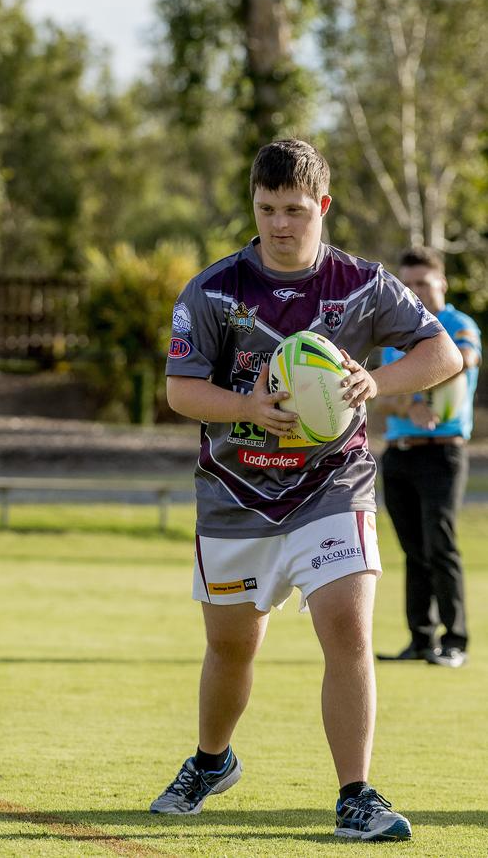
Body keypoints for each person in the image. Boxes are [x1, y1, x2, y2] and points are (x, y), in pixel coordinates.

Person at [151, 139, 462, 842]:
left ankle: (355, 794)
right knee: (232, 648)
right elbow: (179, 390)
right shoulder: (213, 289)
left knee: (347, 627)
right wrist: (250, 409)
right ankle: (211, 759)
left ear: (322, 206)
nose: (280, 224)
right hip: (236, 493)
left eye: (295, 209)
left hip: (332, 484)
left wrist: (375, 382)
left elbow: (439, 352)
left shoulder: (362, 284)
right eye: (266, 209)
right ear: (253, 205)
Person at [375, 247, 481, 668]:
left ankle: (455, 641)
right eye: (407, 284)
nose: (414, 291)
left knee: (441, 545)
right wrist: (409, 406)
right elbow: (381, 396)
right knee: (413, 549)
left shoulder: (458, 324)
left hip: (443, 454)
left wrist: (416, 392)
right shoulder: (395, 333)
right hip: (399, 456)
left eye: (422, 282)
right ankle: (420, 638)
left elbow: (464, 358)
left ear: (443, 283)